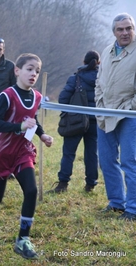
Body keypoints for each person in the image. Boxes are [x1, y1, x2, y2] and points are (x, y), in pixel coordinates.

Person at [0, 53, 53, 260]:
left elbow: (32, 120)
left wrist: (42, 135)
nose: (33, 74)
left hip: (23, 151)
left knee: (31, 190)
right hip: (2, 152)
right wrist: (19, 126)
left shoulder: (37, 97)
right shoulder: (6, 96)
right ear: (17, 71)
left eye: (37, 70)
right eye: (29, 69)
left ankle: (23, 239)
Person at [95, 13, 136, 221]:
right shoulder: (107, 51)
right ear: (114, 32)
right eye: (120, 29)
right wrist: (99, 104)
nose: (125, 32)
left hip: (129, 115)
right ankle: (116, 203)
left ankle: (133, 208)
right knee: (106, 159)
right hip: (105, 114)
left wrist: (128, 108)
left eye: (128, 28)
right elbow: (98, 81)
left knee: (130, 161)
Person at [49, 51, 100, 193]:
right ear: (98, 63)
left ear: (84, 61)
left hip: (76, 121)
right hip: (95, 122)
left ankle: (62, 184)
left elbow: (63, 99)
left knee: (68, 153)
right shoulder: (103, 78)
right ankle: (90, 185)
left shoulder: (76, 77)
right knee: (92, 154)